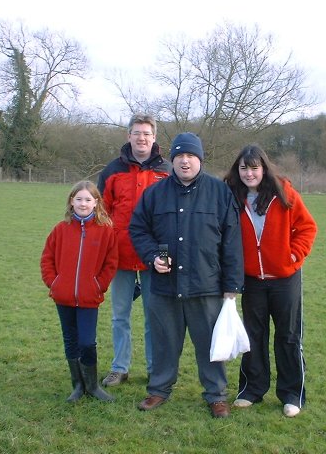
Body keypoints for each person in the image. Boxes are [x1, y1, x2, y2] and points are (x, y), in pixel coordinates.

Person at [129, 132, 244, 419]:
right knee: (165, 342)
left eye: (191, 156)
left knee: (209, 344)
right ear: (172, 160)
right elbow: (138, 230)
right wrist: (152, 256)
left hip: (206, 285)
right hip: (164, 287)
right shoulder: (155, 193)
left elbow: (231, 240)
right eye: (179, 156)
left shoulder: (220, 192)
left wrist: (231, 285)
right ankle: (158, 390)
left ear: (200, 160)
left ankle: (216, 395)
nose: (185, 161)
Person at [224, 144, 317, 417]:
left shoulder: (283, 192)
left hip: (285, 278)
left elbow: (307, 227)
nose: (249, 173)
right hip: (252, 280)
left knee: (288, 336)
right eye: (244, 168)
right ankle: (252, 390)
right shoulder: (231, 196)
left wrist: (293, 254)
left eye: (254, 167)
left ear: (263, 168)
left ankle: (291, 394)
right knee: (253, 335)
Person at [97, 113, 170, 387]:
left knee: (154, 315)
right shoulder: (112, 171)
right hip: (120, 254)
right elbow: (100, 212)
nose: (142, 138)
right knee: (120, 315)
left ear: (154, 138)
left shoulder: (167, 170)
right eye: (137, 133)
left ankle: (154, 369)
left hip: (155, 256)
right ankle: (120, 367)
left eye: (147, 134)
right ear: (129, 136)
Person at [40, 180, 119, 402]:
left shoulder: (105, 231)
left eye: (87, 199)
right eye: (78, 199)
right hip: (63, 297)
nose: (83, 204)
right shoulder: (60, 230)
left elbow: (110, 263)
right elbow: (47, 258)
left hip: (88, 298)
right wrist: (54, 283)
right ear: (71, 202)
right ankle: (78, 385)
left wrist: (98, 285)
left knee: (87, 341)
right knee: (71, 341)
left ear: (96, 203)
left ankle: (93, 386)